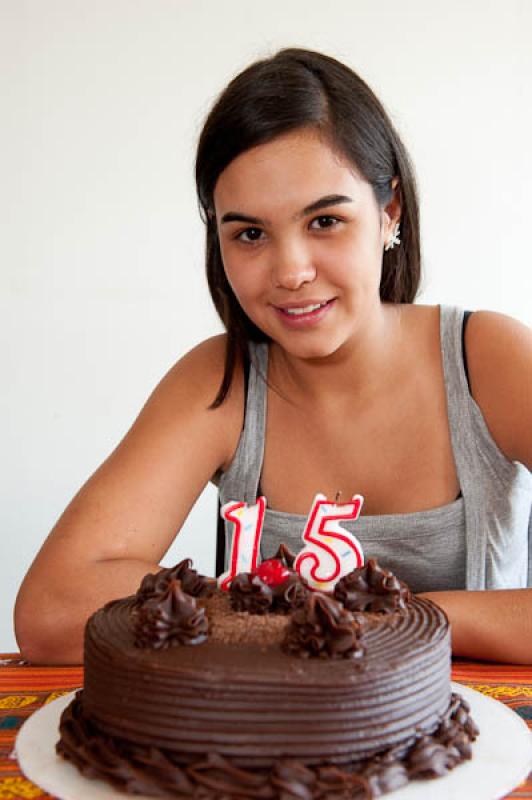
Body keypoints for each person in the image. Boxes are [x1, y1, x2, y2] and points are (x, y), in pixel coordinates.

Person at [14, 48, 532, 665]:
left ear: (389, 212)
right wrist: (287, 612)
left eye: (325, 221)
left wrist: (389, 616)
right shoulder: (220, 381)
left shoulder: (485, 359)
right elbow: (50, 611)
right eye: (250, 234)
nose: (290, 272)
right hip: (270, 749)